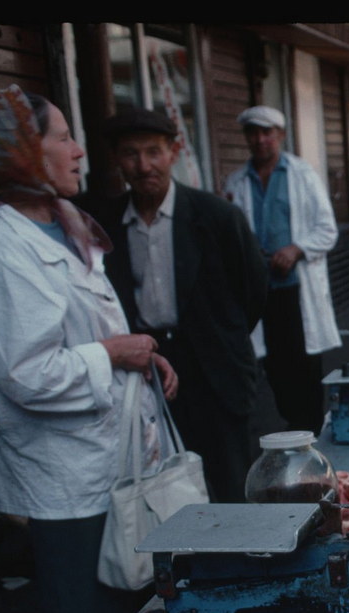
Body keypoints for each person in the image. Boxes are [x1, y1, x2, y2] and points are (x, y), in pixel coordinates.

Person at [0, 86, 179, 613]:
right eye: (61, 137)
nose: (79, 150)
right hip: (66, 478)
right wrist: (112, 354)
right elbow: (25, 374)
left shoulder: (60, 223)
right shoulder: (3, 245)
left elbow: (86, 329)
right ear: (18, 152)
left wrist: (136, 357)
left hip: (109, 461)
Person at [92, 106, 268, 503]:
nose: (143, 165)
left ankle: (239, 561)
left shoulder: (217, 217)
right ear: (117, 160)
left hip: (214, 367)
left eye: (153, 152)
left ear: (174, 152)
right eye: (131, 154)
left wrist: (223, 336)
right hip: (148, 365)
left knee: (229, 484)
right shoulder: (105, 222)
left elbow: (254, 290)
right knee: (159, 486)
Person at [223, 105, 340, 434]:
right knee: (274, 366)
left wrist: (297, 248)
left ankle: (312, 431)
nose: (260, 140)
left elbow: (327, 229)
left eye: (267, 133)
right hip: (259, 289)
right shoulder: (236, 181)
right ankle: (293, 427)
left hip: (296, 287)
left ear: (281, 136)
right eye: (253, 133)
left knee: (303, 364)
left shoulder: (303, 175)